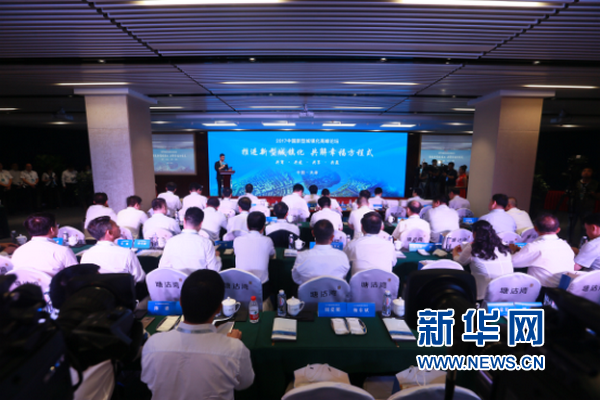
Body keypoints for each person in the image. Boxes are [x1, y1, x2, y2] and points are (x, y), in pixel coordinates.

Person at [141, 269, 254, 400]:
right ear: (219, 308)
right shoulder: (234, 349)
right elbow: (245, 383)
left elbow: (148, 381)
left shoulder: (152, 345)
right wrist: (231, 343)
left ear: (181, 302)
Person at [452, 220, 513, 300]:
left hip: (484, 296)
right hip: (507, 293)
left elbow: (459, 261)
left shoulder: (473, 248)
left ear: (474, 233)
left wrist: (455, 250)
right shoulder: (503, 246)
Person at [511, 212, 574, 288]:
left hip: (543, 291)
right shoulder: (566, 246)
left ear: (535, 228)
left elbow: (510, 263)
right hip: (564, 290)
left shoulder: (534, 247)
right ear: (558, 230)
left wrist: (513, 250)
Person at [81, 216, 145, 283]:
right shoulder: (126, 254)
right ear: (109, 232)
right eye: (116, 225)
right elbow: (140, 279)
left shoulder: (86, 255)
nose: (119, 227)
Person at [12, 212, 78, 276]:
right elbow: (76, 276)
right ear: (52, 229)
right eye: (56, 224)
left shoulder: (18, 252)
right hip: (54, 284)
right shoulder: (63, 251)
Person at [159, 207, 221, 274]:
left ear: (184, 220)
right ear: (201, 224)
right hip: (199, 280)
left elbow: (162, 268)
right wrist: (217, 258)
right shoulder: (207, 243)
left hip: (177, 280)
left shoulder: (171, 242)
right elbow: (214, 271)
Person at [291, 220, 350, 285]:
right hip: (334, 291)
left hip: (309, 291)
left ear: (312, 233)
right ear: (332, 237)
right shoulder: (342, 257)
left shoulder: (302, 257)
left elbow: (296, 279)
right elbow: (343, 277)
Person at [233, 211, 275, 289]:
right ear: (263, 227)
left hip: (241, 286)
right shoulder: (267, 241)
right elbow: (272, 254)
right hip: (261, 286)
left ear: (247, 226)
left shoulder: (237, 240)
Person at [345, 212, 395, 276]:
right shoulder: (389, 245)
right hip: (384, 282)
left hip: (360, 282)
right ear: (380, 227)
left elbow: (345, 262)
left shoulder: (352, 245)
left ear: (361, 227)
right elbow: (393, 263)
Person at [569, 166, 600, 245]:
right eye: (584, 170)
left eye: (589, 171)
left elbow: (598, 196)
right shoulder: (576, 183)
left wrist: (592, 194)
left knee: (585, 226)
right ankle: (568, 242)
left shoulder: (595, 184)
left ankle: (582, 243)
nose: (586, 172)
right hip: (575, 207)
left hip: (587, 207)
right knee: (571, 225)